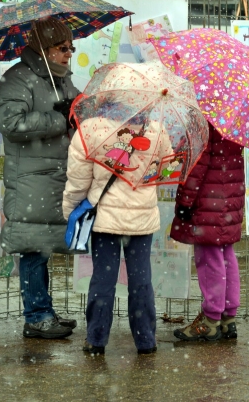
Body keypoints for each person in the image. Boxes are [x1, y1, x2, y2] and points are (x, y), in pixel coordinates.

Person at [0, 17, 80, 339]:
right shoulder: (17, 79)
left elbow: (72, 112)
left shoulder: (62, 79)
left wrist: (78, 110)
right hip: (30, 177)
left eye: (71, 47)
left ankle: (45, 309)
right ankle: (36, 316)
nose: (69, 53)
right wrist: (58, 117)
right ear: (44, 48)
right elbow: (12, 124)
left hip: (57, 175)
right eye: (62, 47)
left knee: (44, 245)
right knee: (34, 247)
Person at [62, 118, 173, 355]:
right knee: (141, 280)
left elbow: (78, 179)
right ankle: (145, 341)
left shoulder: (91, 128)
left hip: (105, 217)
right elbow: (164, 171)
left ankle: (96, 339)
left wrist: (71, 210)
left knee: (103, 278)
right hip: (141, 219)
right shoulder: (157, 128)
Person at [170, 123, 245, 341]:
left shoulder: (204, 123)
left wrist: (184, 201)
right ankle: (228, 317)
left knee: (209, 259)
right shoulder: (232, 121)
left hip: (207, 202)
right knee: (226, 255)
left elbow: (197, 166)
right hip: (228, 199)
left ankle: (210, 319)